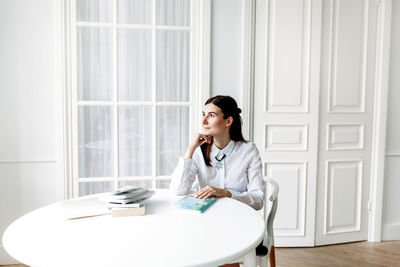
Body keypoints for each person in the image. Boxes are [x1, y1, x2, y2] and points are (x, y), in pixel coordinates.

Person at [170, 95, 265, 267]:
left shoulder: (248, 151)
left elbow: (258, 199)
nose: (204, 120)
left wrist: (227, 194)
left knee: (217, 246)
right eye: (203, 114)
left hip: (239, 223)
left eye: (211, 115)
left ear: (228, 121)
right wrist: (190, 149)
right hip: (206, 221)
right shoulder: (199, 151)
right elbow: (179, 190)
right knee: (183, 243)